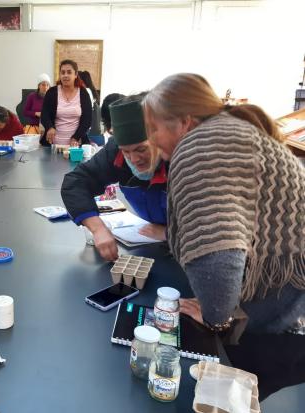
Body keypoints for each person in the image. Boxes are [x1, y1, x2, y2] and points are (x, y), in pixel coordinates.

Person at [143, 73, 305, 400]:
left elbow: (219, 249)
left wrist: (217, 314)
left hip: (279, 317)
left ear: (185, 122)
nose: (154, 141)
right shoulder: (230, 131)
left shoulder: (200, 147)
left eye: (155, 128)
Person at [61, 95, 168, 262]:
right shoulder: (115, 151)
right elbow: (76, 182)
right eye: (126, 151)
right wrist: (98, 229)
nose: (134, 159)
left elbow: (217, 222)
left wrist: (169, 233)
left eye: (141, 149)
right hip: (152, 245)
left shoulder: (183, 159)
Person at [40, 60, 92, 147]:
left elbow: (87, 120)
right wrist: (49, 127)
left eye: (69, 72)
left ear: (75, 75)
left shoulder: (83, 93)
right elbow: (44, 115)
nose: (65, 75)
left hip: (76, 145)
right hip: (53, 145)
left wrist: (76, 137)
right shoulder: (52, 92)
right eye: (62, 72)